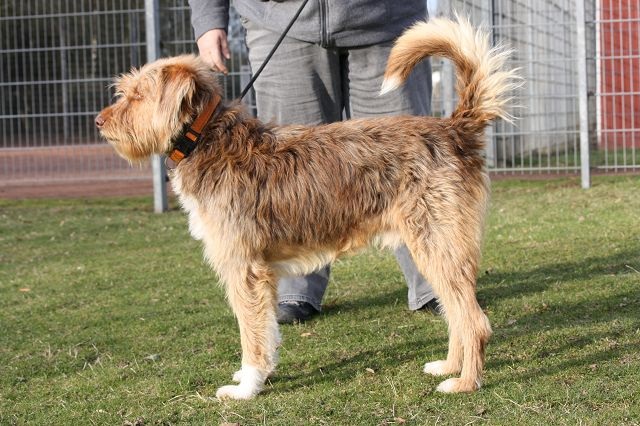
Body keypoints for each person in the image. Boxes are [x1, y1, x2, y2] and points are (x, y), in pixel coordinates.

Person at [187, 0, 439, 323]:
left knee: (412, 165)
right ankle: (296, 291)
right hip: (280, 21)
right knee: (286, 179)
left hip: (384, 18)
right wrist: (208, 18)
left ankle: (437, 284)